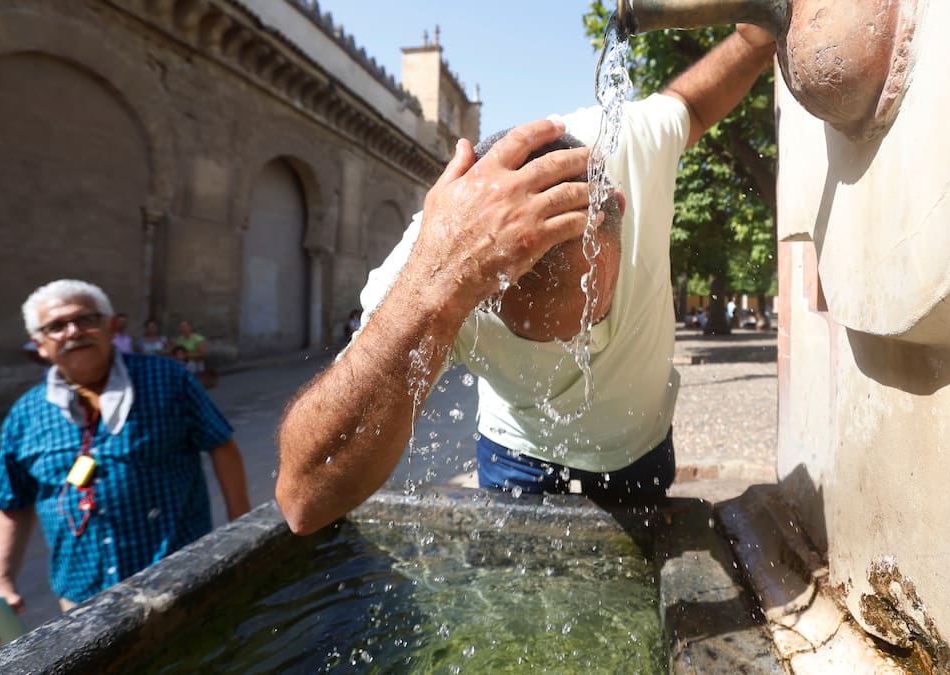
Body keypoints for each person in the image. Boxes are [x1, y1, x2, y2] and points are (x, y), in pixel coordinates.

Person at [275, 26, 776, 535]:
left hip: (637, 441)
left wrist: (757, 40)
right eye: (532, 333)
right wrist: (436, 289)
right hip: (517, 446)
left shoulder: (626, 148)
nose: (573, 346)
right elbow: (303, 499)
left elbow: (690, 106)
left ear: (614, 210)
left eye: (590, 313)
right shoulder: (433, 269)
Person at [0, 279, 251, 653]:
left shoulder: (168, 379)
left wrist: (242, 532)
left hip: (181, 580)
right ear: (38, 344)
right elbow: (11, 502)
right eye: (57, 326)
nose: (73, 332)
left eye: (86, 319)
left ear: (112, 327)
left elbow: (221, 445)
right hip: (82, 600)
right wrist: (0, 580)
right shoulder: (25, 414)